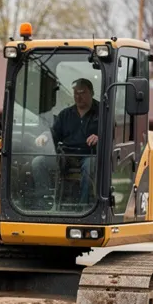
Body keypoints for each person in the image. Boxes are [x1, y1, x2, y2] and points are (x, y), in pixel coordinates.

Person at [31, 78, 100, 207]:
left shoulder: (103, 112)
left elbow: (114, 134)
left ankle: (83, 205)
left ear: (91, 93)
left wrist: (99, 137)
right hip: (67, 154)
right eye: (76, 94)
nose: (78, 97)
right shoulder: (65, 114)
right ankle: (44, 202)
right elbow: (55, 133)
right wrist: (45, 136)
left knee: (90, 166)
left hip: (90, 154)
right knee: (38, 162)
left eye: (82, 93)